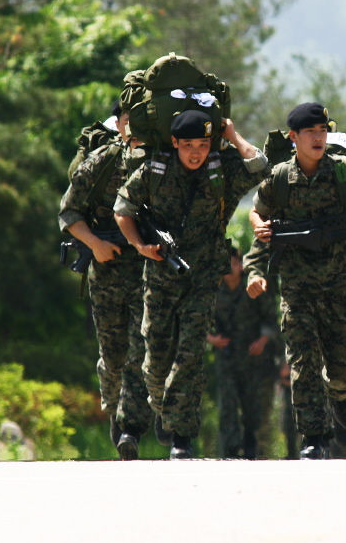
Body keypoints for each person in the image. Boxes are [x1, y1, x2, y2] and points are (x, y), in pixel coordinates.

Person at [248, 102, 346, 459]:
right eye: (311, 132)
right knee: (303, 361)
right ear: (294, 138)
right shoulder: (279, 179)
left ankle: (343, 394)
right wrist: (259, 226)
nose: (318, 138)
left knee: (340, 369)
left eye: (323, 131)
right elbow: (257, 209)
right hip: (297, 287)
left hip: (339, 287)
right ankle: (314, 438)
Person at [114, 110, 268, 459]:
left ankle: (182, 437)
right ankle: (163, 407)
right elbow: (122, 209)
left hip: (202, 278)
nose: (195, 152)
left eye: (202, 144)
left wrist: (231, 135)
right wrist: (140, 246)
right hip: (160, 278)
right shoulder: (155, 171)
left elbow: (261, 167)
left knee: (190, 356)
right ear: (174, 143)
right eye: (188, 145)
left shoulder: (219, 170)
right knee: (154, 363)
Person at [58, 100, 151, 460]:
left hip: (147, 269)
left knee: (139, 350)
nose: (135, 128)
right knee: (113, 355)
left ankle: (130, 427)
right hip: (108, 270)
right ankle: (114, 405)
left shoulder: (159, 163)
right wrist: (95, 244)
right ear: (119, 123)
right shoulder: (103, 161)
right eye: (129, 120)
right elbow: (68, 212)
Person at [208, 244, 279, 459]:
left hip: (252, 355)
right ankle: (231, 447)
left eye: (235, 262)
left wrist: (263, 340)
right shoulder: (213, 290)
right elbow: (198, 319)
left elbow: (271, 317)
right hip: (226, 356)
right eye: (227, 263)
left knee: (251, 403)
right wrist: (211, 339)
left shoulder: (253, 287)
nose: (232, 267)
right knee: (228, 401)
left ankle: (250, 441)